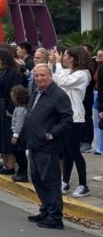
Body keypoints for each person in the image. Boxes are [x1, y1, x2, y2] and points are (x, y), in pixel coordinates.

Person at [24, 63, 73, 230]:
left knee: (50, 182)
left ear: (50, 76)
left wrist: (51, 134)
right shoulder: (36, 92)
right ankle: (45, 210)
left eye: (42, 75)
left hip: (48, 146)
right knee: (38, 180)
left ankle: (55, 217)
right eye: (36, 75)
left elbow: (67, 120)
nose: (39, 78)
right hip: (34, 144)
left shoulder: (59, 95)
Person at [51, 46, 91, 198]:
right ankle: (65, 181)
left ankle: (84, 185)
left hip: (75, 118)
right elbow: (55, 79)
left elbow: (63, 81)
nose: (63, 58)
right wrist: (51, 63)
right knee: (67, 152)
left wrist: (58, 63)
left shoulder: (83, 74)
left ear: (73, 58)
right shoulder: (69, 72)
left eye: (65, 56)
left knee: (74, 152)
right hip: (65, 117)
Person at [0, 47, 24, 175]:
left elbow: (15, 92)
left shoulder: (14, 73)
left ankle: (10, 165)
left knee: (7, 136)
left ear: (3, 58)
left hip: (6, 106)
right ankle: (4, 162)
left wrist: (11, 108)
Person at [9, 85, 30, 183]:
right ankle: (20, 172)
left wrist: (15, 135)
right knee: (17, 153)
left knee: (20, 154)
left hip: (19, 135)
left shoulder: (21, 109)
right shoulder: (18, 108)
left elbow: (19, 123)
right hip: (17, 133)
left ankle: (23, 174)